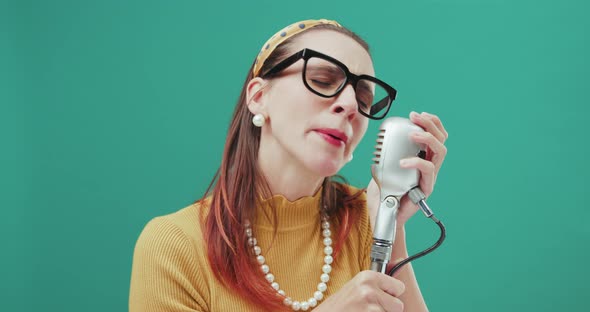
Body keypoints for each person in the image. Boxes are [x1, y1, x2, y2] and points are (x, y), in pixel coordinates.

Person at [129, 19, 448, 312]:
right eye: (323, 80)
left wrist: (391, 226)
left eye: (363, 101)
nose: (350, 105)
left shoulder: (371, 221)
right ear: (258, 96)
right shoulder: (174, 243)